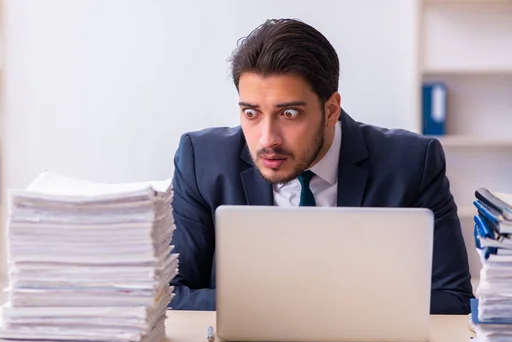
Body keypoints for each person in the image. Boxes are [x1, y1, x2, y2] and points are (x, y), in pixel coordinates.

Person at [168, 18, 474, 314]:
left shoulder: (413, 163)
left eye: (289, 114)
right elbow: (172, 292)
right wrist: (281, 311)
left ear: (330, 110)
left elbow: (452, 300)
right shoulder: (201, 161)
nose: (267, 139)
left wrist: (326, 311)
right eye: (251, 113)